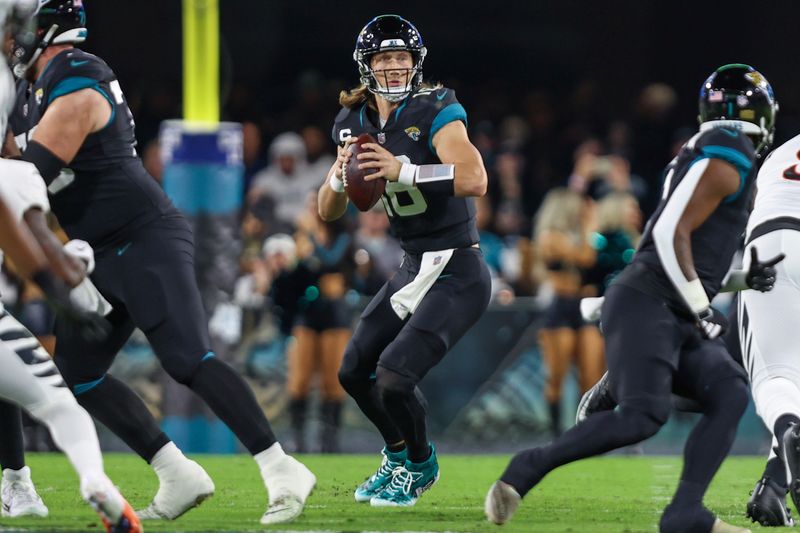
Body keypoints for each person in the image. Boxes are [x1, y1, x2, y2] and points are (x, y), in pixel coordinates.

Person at [8, 1, 314, 525]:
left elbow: (28, 176)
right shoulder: (30, 93)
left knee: (188, 358)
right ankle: (176, 470)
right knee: (78, 375)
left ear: (46, 27)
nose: (13, 38)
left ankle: (281, 467)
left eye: (20, 26)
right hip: (97, 248)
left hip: (142, 236)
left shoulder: (78, 77)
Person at [485, 64, 779, 533]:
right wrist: (700, 309)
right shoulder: (732, 154)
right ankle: (527, 467)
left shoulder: (708, 152)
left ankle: (686, 512)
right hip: (651, 303)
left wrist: (742, 278)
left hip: (661, 302)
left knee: (728, 390)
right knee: (642, 417)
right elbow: (666, 235)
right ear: (761, 115)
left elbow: (693, 260)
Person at [317, 14, 491, 507]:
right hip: (414, 265)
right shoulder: (353, 122)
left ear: (416, 63)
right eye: (383, 57)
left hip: (457, 266)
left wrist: (405, 169)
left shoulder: (437, 107)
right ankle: (397, 455)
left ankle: (420, 466)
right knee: (353, 370)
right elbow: (330, 211)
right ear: (365, 65)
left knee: (394, 376)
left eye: (401, 56)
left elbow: (475, 178)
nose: (393, 66)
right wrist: (336, 178)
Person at [737, 127, 800, 526]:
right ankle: (772, 489)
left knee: (775, 374)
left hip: (769, 246)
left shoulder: (782, 151)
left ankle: (773, 487)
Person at [533, 188, 600, 436]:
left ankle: (588, 433)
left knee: (590, 376)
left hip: (581, 305)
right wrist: (590, 225)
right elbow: (586, 257)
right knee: (557, 378)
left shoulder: (578, 236)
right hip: (560, 308)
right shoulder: (549, 236)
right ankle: (555, 435)